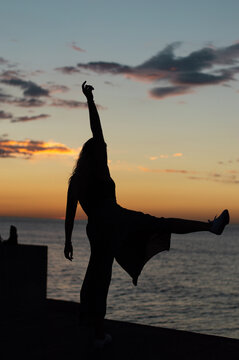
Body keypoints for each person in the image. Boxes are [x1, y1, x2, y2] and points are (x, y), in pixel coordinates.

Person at [64, 81, 229, 347]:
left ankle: (90, 327)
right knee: (104, 272)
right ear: (95, 153)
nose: (102, 148)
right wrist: (90, 101)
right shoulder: (97, 171)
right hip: (114, 222)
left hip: (102, 227)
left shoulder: (80, 178)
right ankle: (94, 333)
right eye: (99, 148)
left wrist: (68, 240)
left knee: (97, 274)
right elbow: (97, 131)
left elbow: (70, 212)